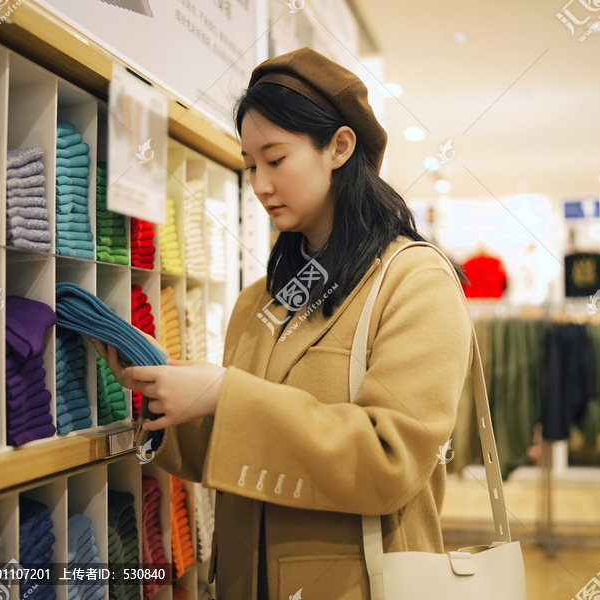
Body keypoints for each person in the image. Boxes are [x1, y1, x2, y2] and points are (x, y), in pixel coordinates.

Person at [90, 47, 473, 600]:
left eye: (275, 159)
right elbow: (230, 452)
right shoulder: (259, 303)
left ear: (339, 147)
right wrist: (159, 385)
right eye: (249, 164)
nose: (259, 184)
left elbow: (389, 460)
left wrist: (225, 392)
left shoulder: (414, 282)